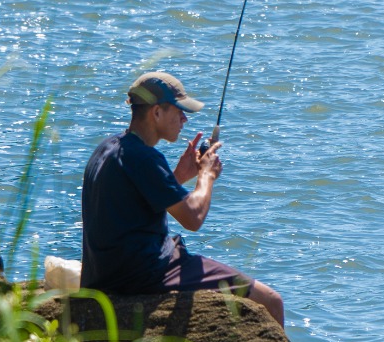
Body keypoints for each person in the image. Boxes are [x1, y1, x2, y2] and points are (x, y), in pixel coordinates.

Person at [80, 70, 285, 326]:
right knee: (272, 301)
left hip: (104, 274)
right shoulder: (145, 158)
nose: (184, 119)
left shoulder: (109, 148)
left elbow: (132, 205)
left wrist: (178, 176)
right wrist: (206, 177)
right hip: (143, 275)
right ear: (156, 112)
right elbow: (193, 218)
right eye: (178, 111)